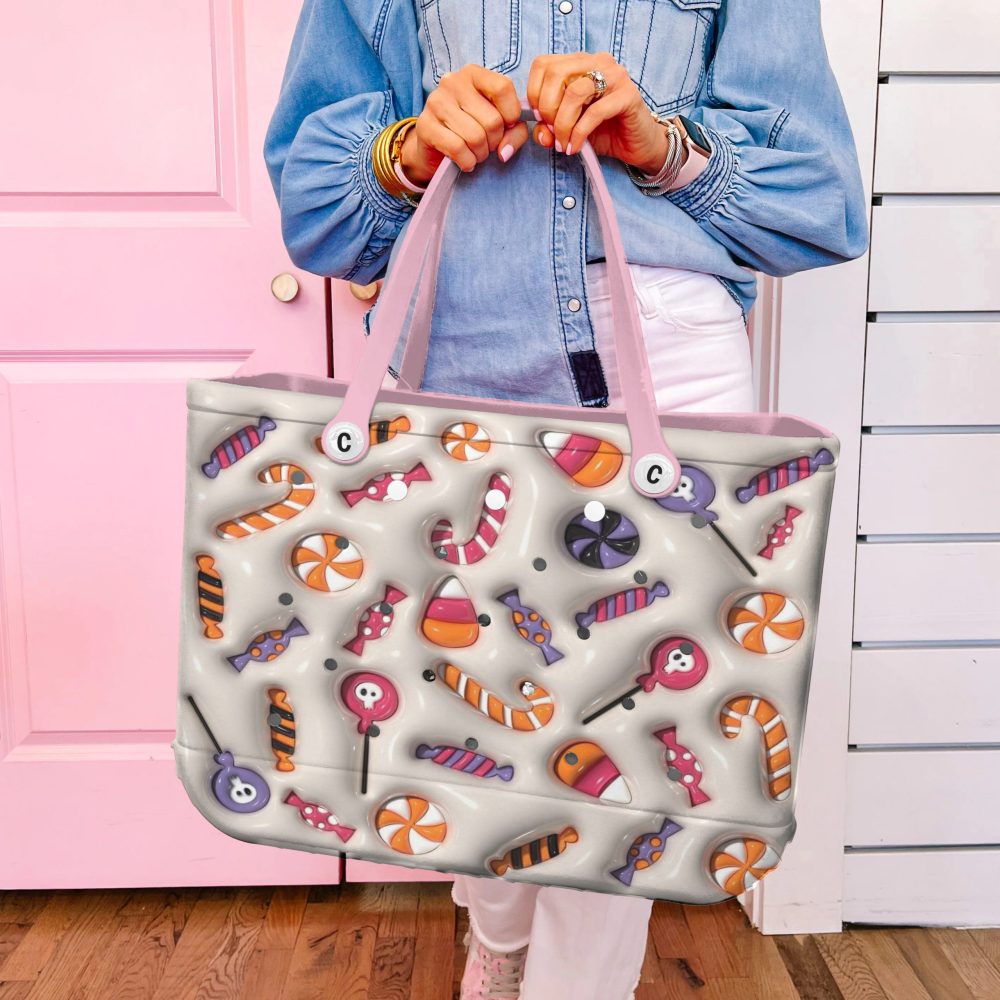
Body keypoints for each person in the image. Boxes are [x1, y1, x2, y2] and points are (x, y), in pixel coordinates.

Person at [264, 2, 868, 997]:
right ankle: (497, 935)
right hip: (451, 346)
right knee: (459, 716)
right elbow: (314, 210)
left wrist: (665, 145)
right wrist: (407, 151)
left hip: (661, 363)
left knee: (626, 744)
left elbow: (820, 198)